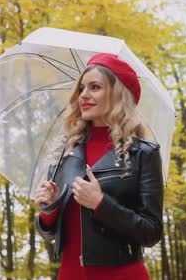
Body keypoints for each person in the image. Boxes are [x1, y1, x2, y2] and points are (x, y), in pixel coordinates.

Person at [33, 52, 164, 280]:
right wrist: (49, 209)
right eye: (81, 88)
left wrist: (101, 204)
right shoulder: (66, 152)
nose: (84, 95)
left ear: (117, 95)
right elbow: (50, 233)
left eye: (95, 87)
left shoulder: (143, 153)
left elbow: (151, 232)